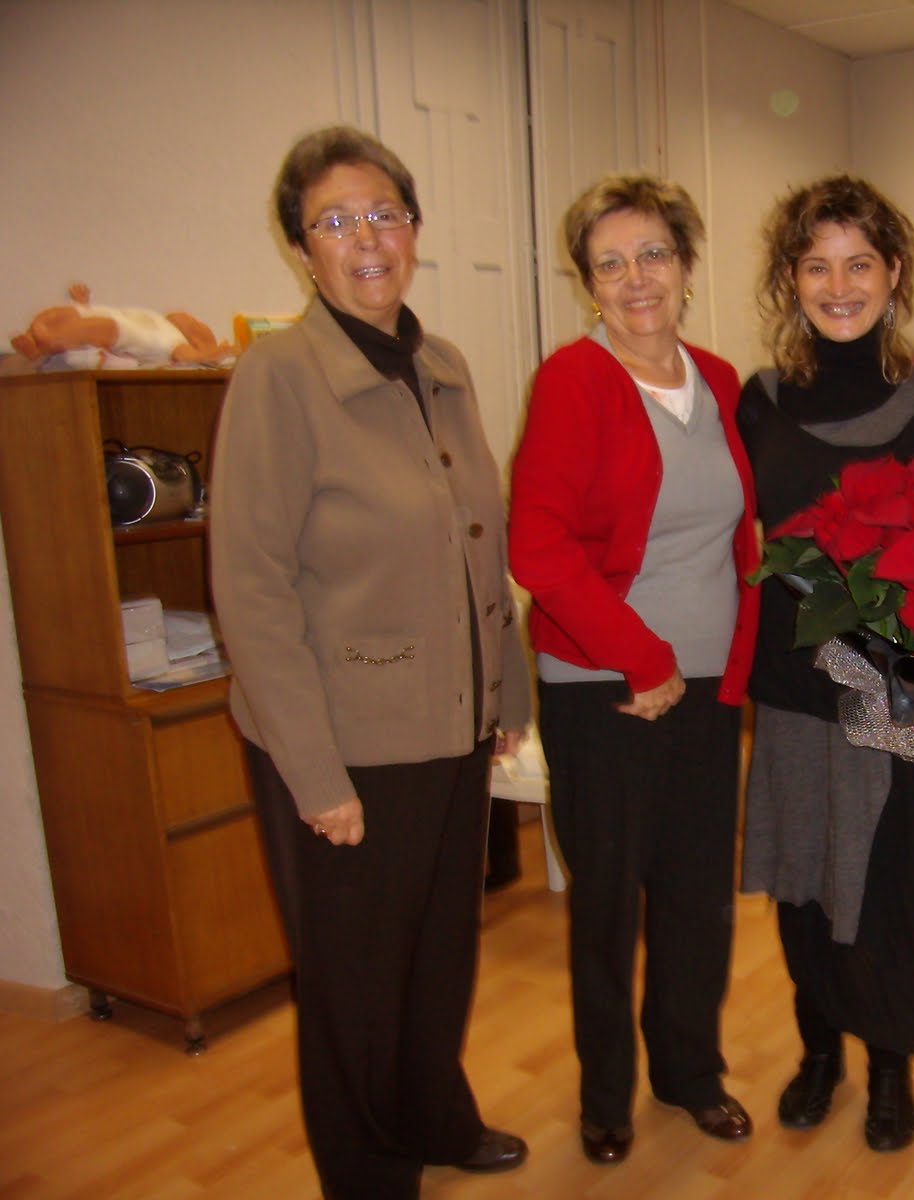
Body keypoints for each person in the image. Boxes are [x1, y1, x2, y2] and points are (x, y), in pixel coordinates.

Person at [210, 125, 531, 1199]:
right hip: (343, 742)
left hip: (449, 722)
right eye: (334, 222)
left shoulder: (443, 367)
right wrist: (315, 775)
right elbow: (252, 589)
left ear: (414, 229)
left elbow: (478, 538)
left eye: (383, 214)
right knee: (354, 982)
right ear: (302, 250)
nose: (365, 239)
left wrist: (507, 687)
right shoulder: (278, 375)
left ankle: (434, 1117)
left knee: (439, 951)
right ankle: (367, 1175)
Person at [507, 174, 760, 1167]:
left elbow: (743, 530)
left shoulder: (722, 380)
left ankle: (691, 1072)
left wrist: (726, 670)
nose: (635, 278)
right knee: (608, 903)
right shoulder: (573, 381)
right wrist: (641, 658)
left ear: (686, 265)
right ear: (588, 284)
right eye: (609, 264)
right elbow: (538, 546)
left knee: (698, 896)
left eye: (653, 253)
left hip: (706, 692)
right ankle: (606, 1094)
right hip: (603, 688)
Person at [737, 175, 914, 1153]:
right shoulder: (760, 400)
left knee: (887, 882)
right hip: (796, 682)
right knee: (806, 877)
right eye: (816, 266)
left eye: (859, 264)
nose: (838, 287)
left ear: (894, 272)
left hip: (900, 680)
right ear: (789, 278)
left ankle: (888, 1065)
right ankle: (818, 1053)